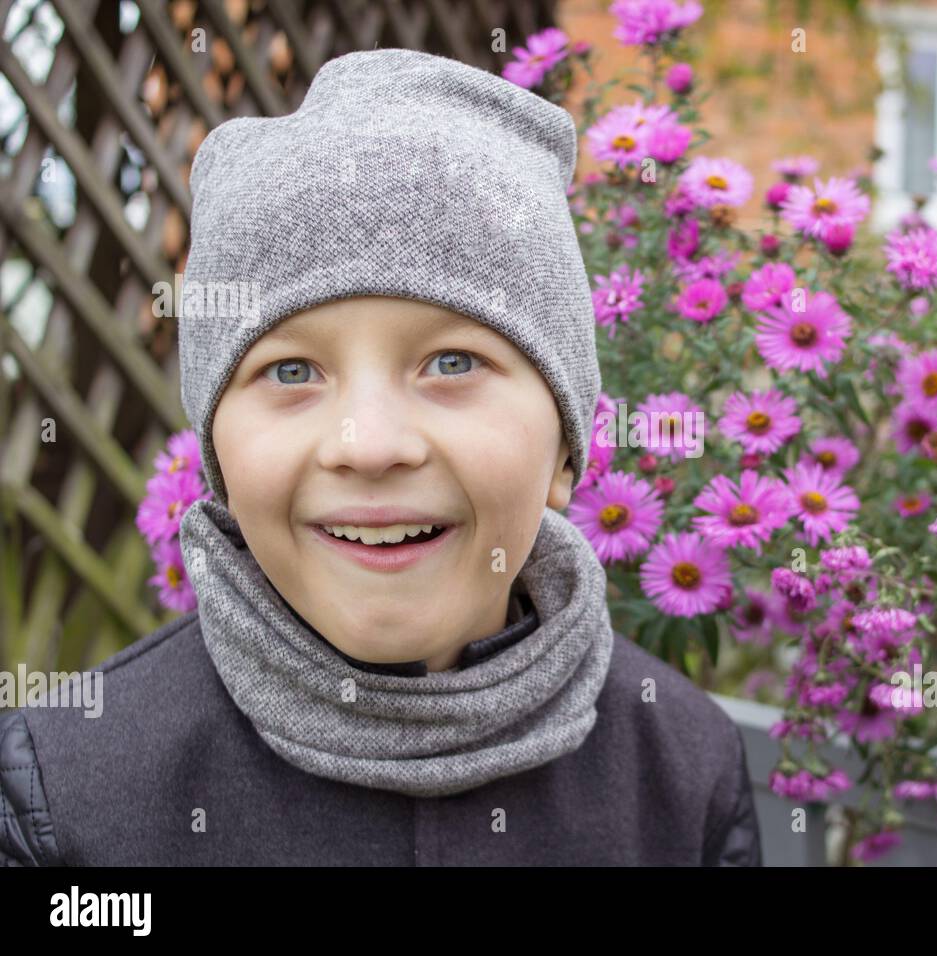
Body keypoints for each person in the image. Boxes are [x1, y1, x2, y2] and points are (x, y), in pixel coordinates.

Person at [0, 48, 762, 866]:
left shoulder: (683, 776)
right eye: (291, 372)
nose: (369, 446)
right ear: (218, 452)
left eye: (453, 363)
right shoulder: (70, 792)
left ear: (565, 450)